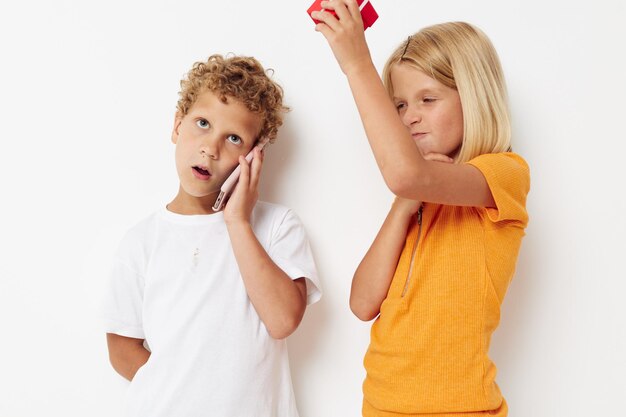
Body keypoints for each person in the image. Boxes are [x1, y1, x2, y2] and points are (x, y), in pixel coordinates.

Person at [313, 3, 530, 416]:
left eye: (427, 99)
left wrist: (357, 62)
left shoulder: (504, 175)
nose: (409, 118)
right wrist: (402, 207)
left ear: (475, 96)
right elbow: (362, 304)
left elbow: (404, 174)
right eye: (399, 105)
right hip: (381, 407)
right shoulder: (414, 197)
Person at [101, 54, 322, 417]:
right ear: (177, 126)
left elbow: (283, 321)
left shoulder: (277, 227)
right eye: (202, 123)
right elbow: (122, 349)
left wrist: (238, 222)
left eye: (233, 138)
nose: (211, 148)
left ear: (254, 156)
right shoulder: (141, 242)